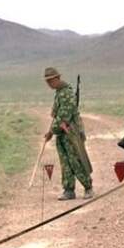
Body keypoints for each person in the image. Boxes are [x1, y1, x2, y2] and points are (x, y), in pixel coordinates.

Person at [43, 67, 94, 200]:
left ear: (57, 78)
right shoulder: (59, 93)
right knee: (65, 162)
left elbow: (64, 116)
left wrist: (51, 132)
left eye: (51, 81)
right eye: (47, 81)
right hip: (62, 134)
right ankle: (69, 190)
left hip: (71, 133)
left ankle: (88, 187)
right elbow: (56, 116)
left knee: (76, 160)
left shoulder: (66, 93)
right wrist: (52, 131)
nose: (49, 84)